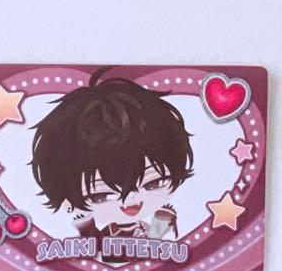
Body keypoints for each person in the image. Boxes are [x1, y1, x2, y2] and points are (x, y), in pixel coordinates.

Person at [30, 67, 193, 245]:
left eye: (154, 183)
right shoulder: (108, 234)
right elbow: (96, 249)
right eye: (100, 196)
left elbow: (152, 243)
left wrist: (159, 224)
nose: (131, 200)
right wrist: (85, 226)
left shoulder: (144, 229)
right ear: (66, 200)